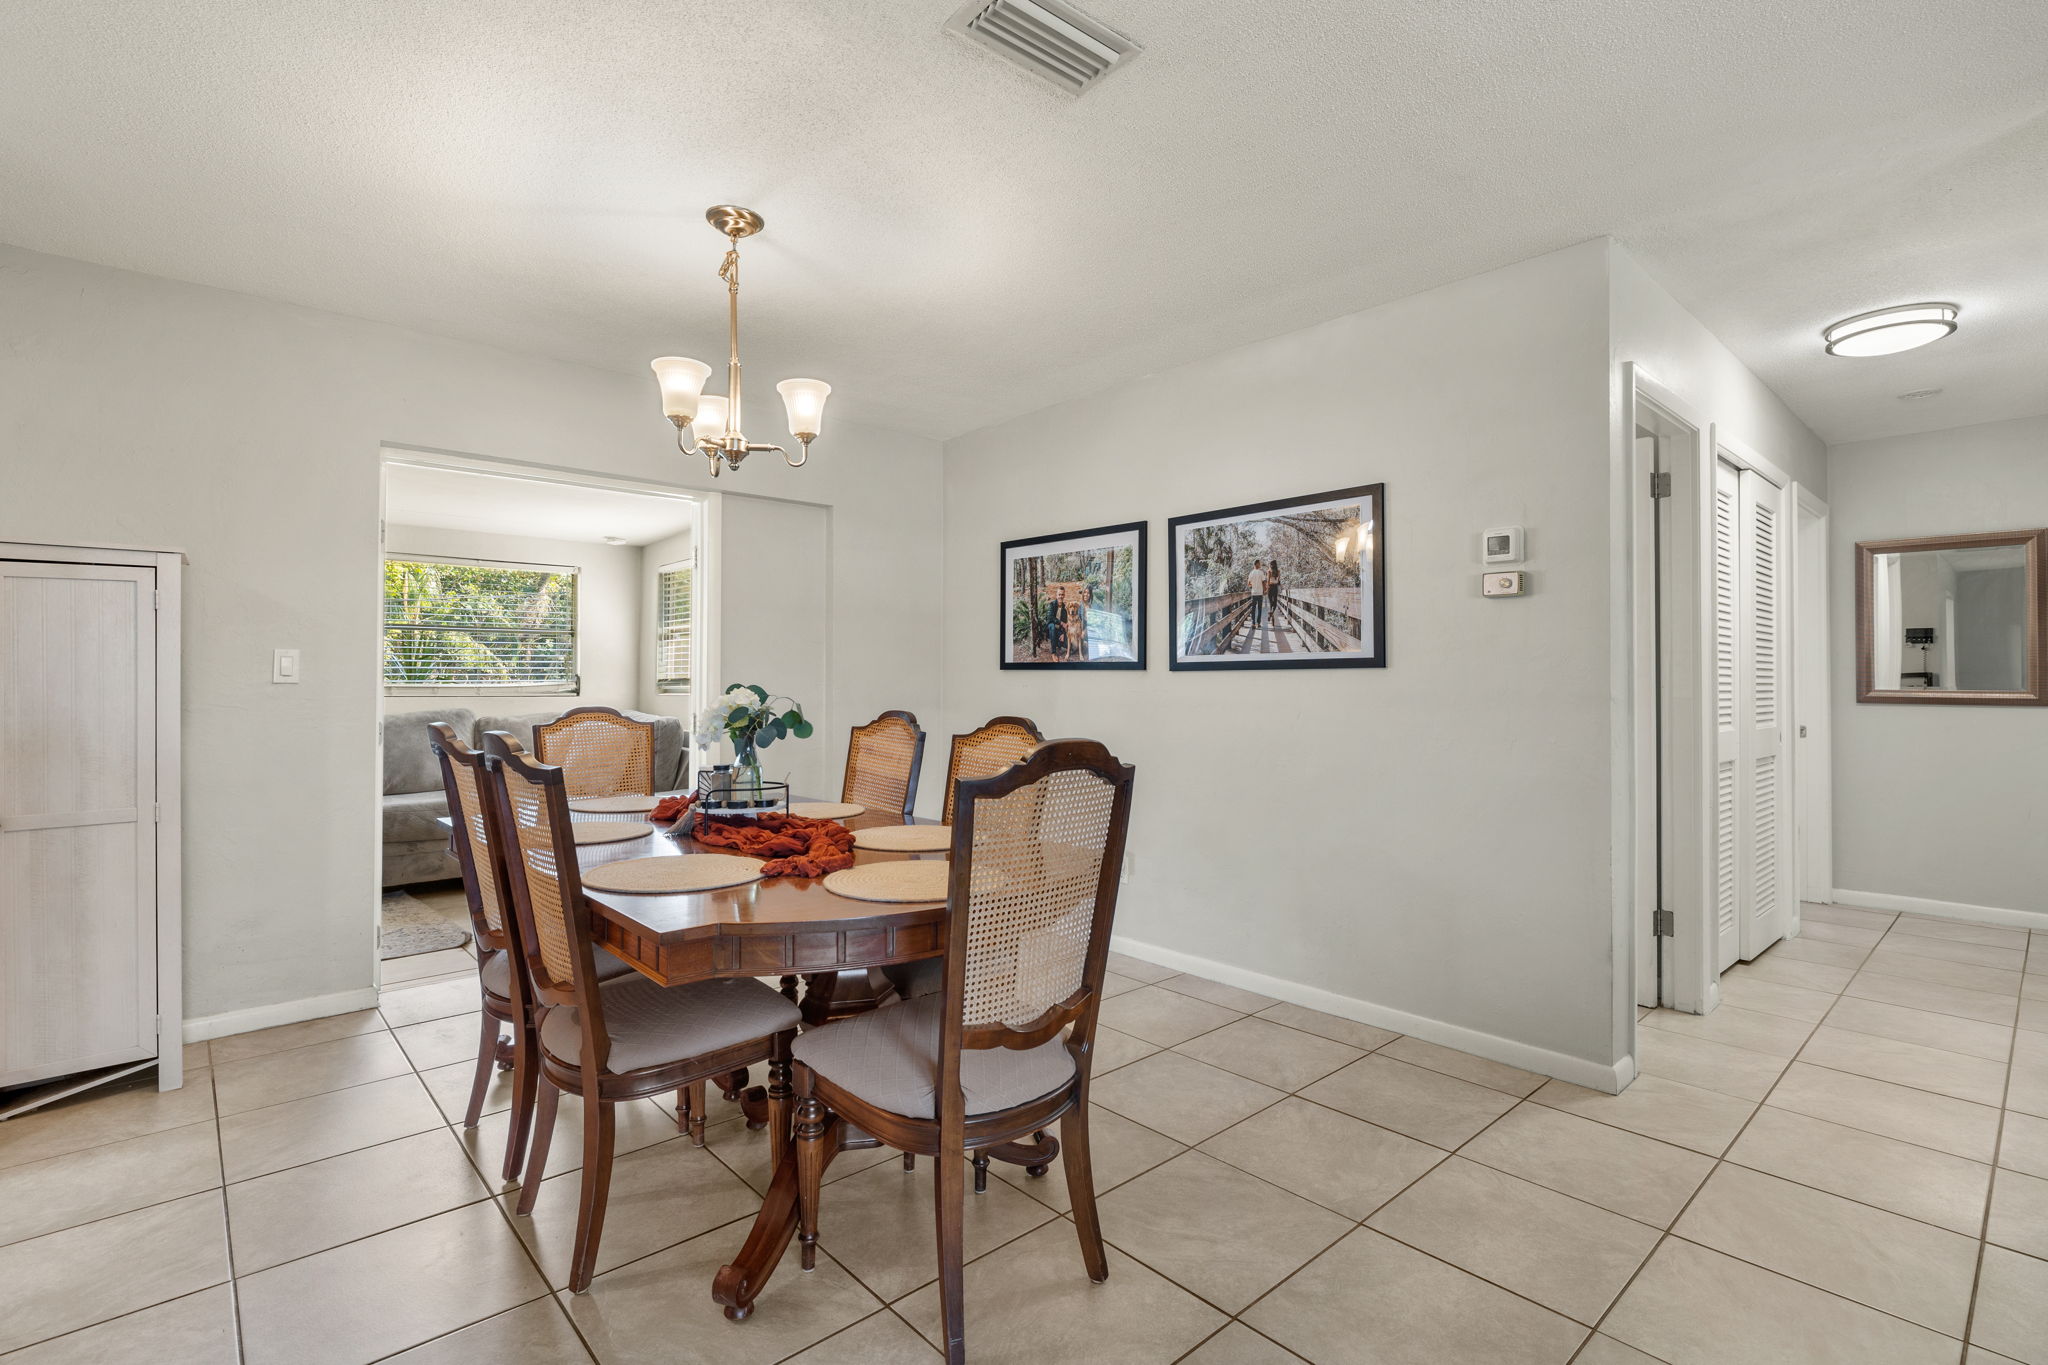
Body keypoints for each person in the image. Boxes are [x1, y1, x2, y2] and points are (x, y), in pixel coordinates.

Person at [1245, 562, 1268, 627]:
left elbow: (1249, 583)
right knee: (1259, 608)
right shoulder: (1261, 573)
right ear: (1257, 564)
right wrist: (1265, 590)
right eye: (1259, 564)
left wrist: (1253, 586)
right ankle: (1258, 623)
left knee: (1253, 608)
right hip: (1260, 593)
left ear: (1254, 565)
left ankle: (1253, 623)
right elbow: (1264, 582)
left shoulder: (1251, 573)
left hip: (1253, 593)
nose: (1260, 565)